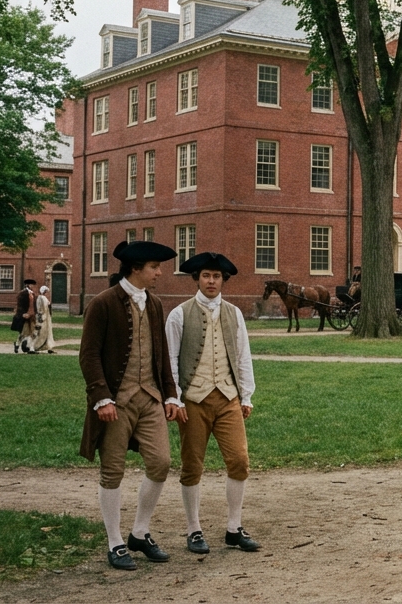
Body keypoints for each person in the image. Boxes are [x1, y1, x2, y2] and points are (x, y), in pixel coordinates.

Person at [79, 240, 183, 571]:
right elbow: (89, 355)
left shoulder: (155, 304)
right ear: (136, 269)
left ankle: (139, 532)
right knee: (112, 470)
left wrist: (170, 394)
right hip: (116, 401)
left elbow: (161, 353)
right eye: (154, 267)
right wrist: (101, 397)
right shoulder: (103, 303)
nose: (159, 273)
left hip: (149, 397)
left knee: (161, 462)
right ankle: (115, 542)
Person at [166, 252, 261, 555]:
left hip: (228, 398)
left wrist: (246, 395)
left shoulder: (234, 313)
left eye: (216, 276)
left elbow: (243, 355)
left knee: (239, 461)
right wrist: (175, 398)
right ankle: (194, 529)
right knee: (192, 465)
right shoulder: (179, 314)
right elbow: (170, 360)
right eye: (206, 275)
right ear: (197, 278)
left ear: (223, 280)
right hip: (193, 400)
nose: (211, 281)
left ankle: (234, 527)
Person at [12, 279, 37, 353]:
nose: (32, 286)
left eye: (33, 285)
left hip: (32, 315)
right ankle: (17, 344)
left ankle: (31, 348)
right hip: (25, 315)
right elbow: (20, 305)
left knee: (33, 332)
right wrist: (22, 313)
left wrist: (35, 312)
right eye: (31, 284)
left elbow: (34, 305)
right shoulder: (23, 293)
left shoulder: (32, 294)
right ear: (27, 285)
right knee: (23, 333)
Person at [33, 285, 56, 353]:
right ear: (44, 292)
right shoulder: (42, 298)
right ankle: (38, 346)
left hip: (44, 317)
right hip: (44, 318)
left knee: (45, 332)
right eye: (47, 292)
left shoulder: (41, 298)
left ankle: (47, 346)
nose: (48, 294)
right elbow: (42, 309)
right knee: (42, 332)